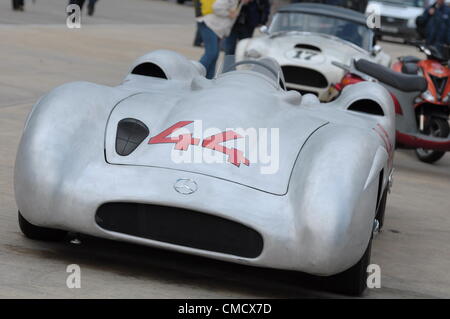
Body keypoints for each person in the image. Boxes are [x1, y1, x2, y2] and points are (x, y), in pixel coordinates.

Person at [197, 0, 245, 79]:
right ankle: (195, 74)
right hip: (209, 25)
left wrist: (224, 33)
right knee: (211, 53)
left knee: (215, 55)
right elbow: (216, 7)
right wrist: (229, 14)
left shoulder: (240, 3)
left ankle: (208, 79)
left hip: (217, 29)